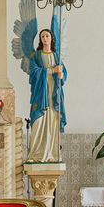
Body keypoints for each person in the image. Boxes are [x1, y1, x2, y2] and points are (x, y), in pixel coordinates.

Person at [25, 26, 66, 163]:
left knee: (52, 122)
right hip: (40, 93)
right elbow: (33, 72)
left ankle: (51, 154)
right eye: (42, 36)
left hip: (53, 93)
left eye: (47, 36)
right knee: (38, 123)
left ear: (51, 38)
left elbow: (63, 74)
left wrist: (61, 75)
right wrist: (51, 71)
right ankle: (35, 154)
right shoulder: (36, 56)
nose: (45, 38)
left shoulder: (56, 56)